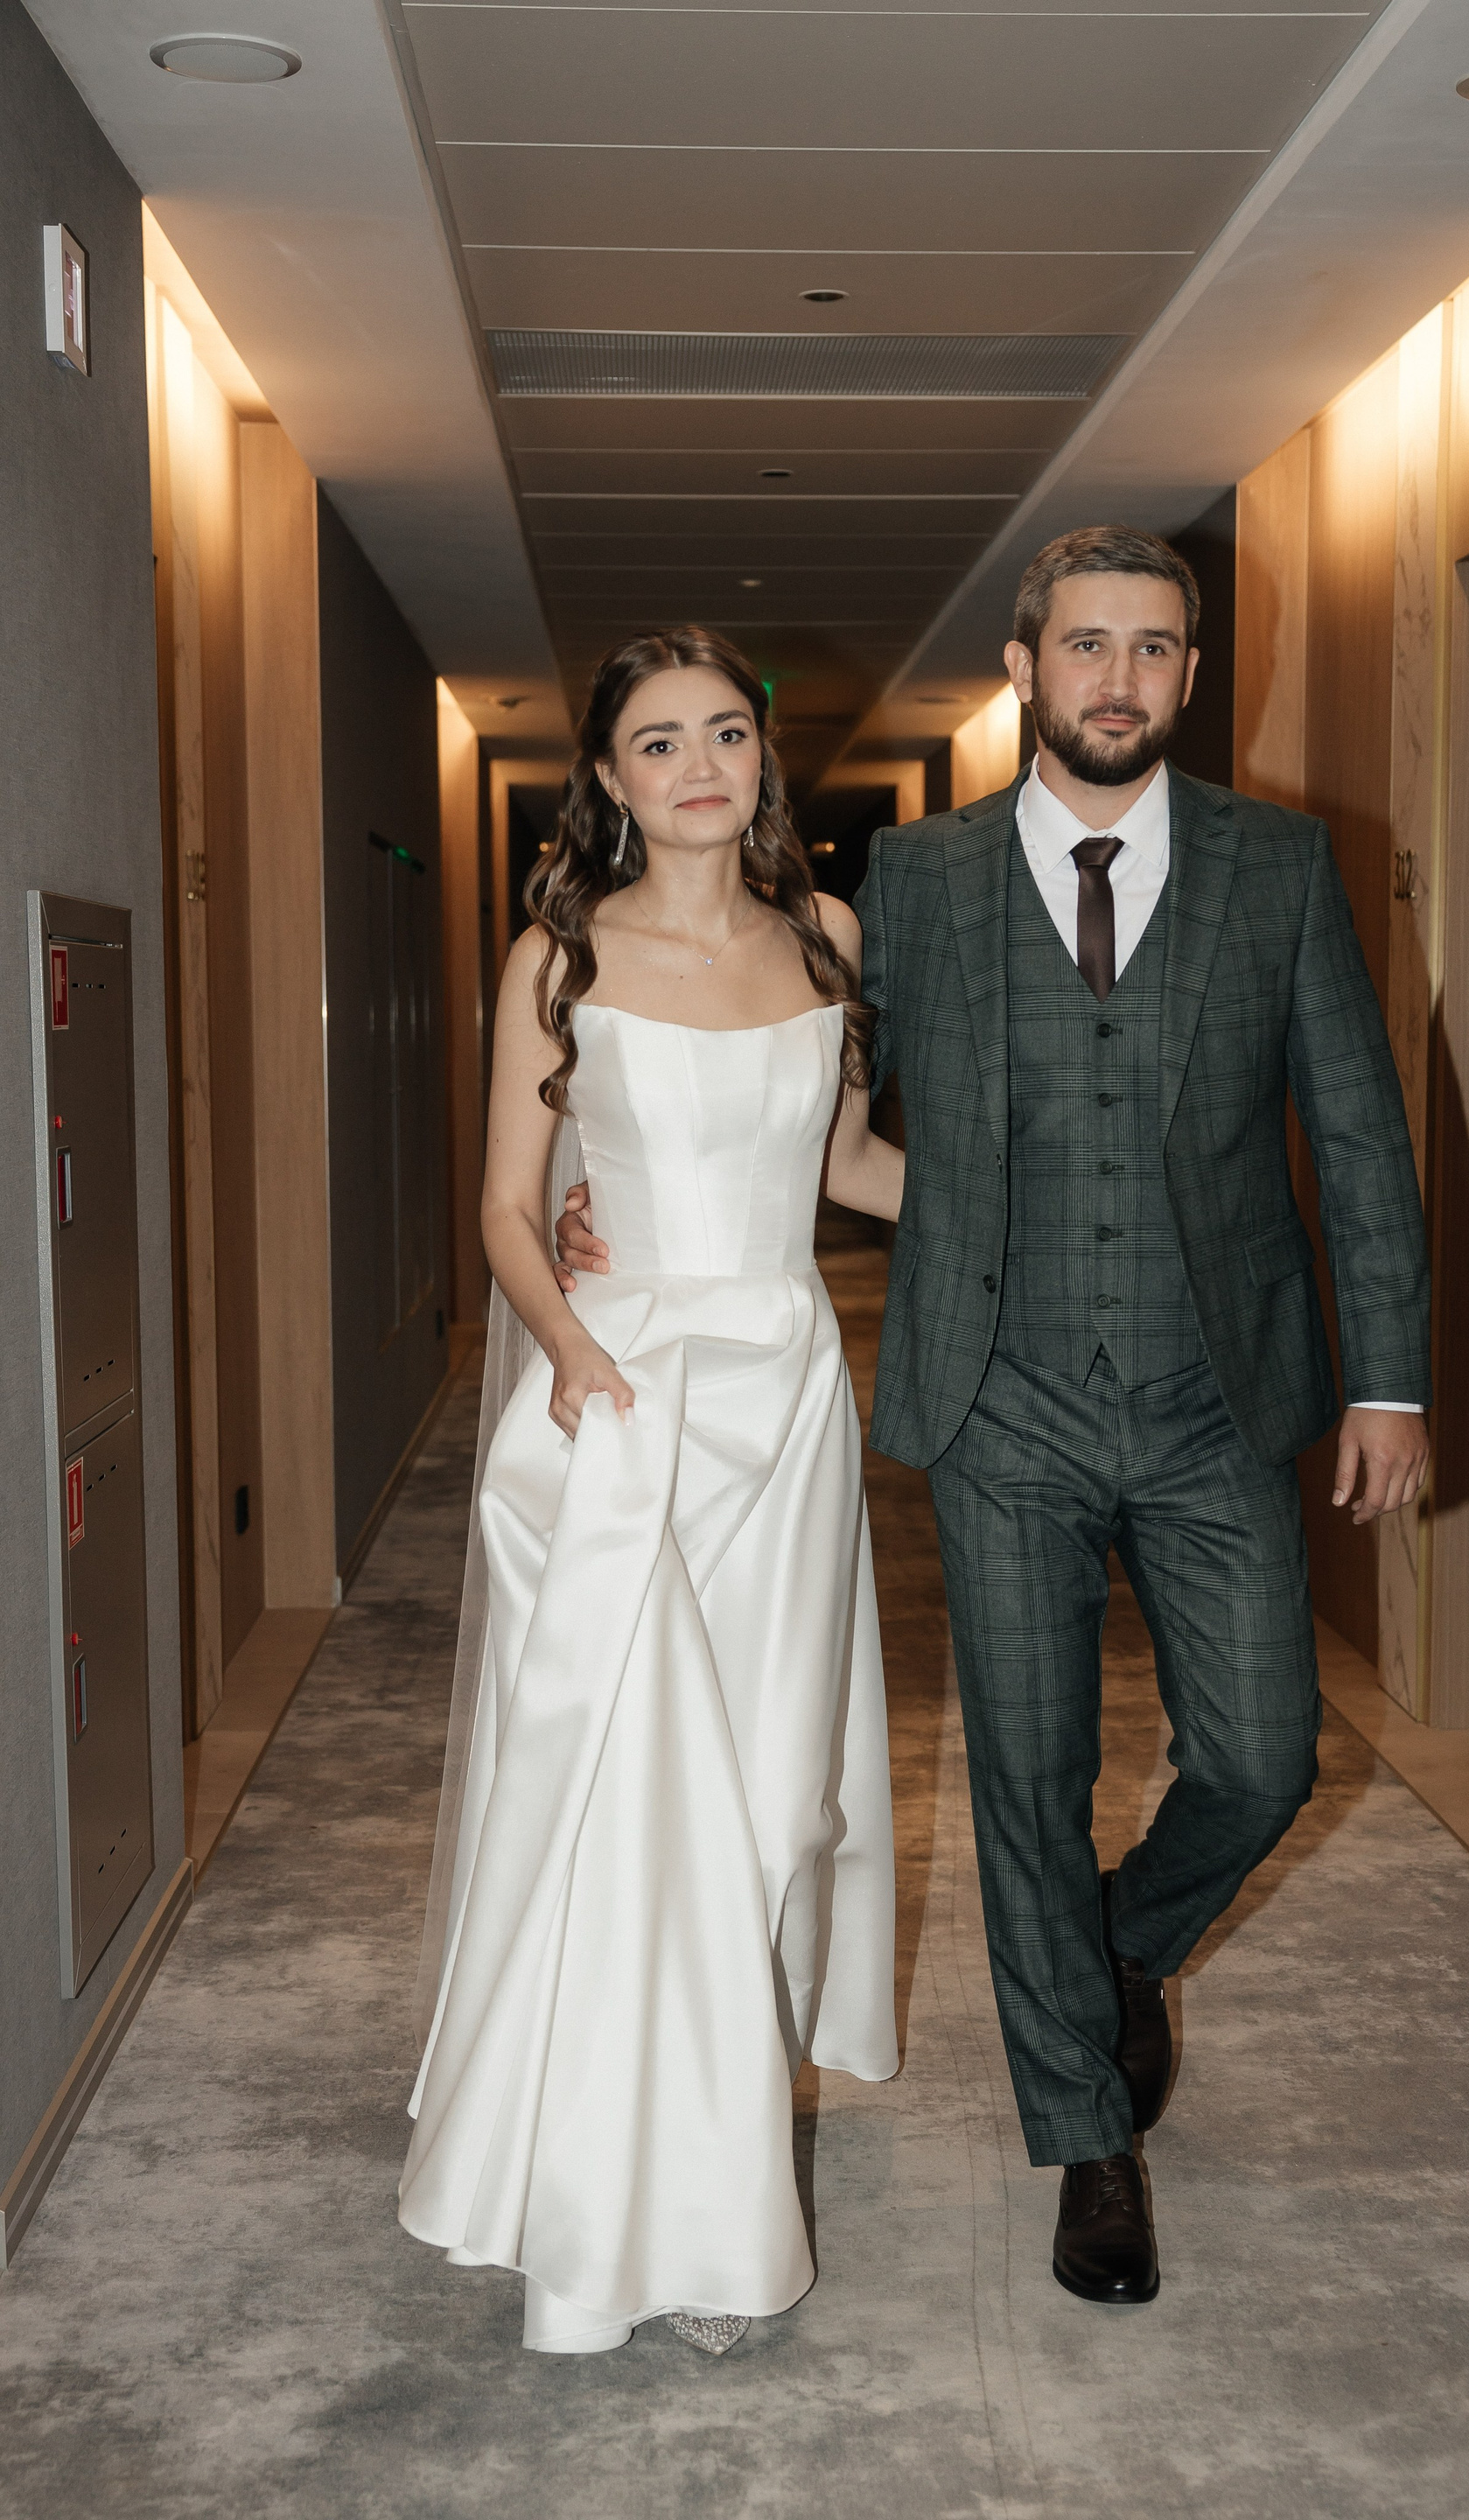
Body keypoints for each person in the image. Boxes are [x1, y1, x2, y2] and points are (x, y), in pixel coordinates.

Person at [560, 525, 1431, 2311]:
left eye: (1156, 647)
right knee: (1028, 1782)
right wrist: (606, 1199)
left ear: (1193, 674)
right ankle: (1089, 2145)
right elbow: (794, 1096)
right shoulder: (920, 876)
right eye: (1087, 644)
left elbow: (1356, 1129)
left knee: (1265, 1757)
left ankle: (1116, 1951)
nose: (1121, 677)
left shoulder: (1278, 866)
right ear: (1025, 666)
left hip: (1214, 1392)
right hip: (1000, 1398)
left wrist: (1390, 1378)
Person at [400, 628, 904, 2357]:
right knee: (641, 1802)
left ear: (764, 757)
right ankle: (651, 2211)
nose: (700, 766)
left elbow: (850, 1165)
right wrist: (565, 1345)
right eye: (661, 740)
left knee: (768, 1805)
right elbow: (505, 1207)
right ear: (609, 778)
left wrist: (1032, 1201)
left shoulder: (830, 937)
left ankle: (706, 2150)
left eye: (727, 734)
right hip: (619, 1406)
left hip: (787, 1399)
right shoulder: (557, 957)